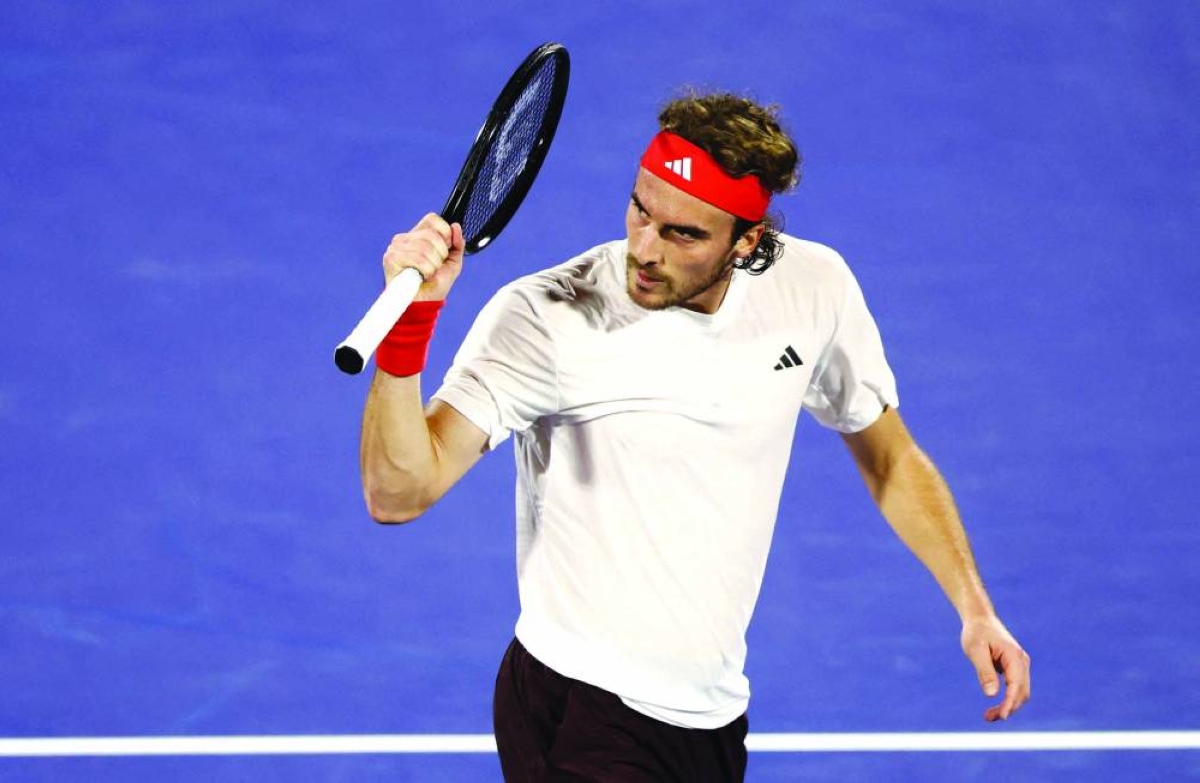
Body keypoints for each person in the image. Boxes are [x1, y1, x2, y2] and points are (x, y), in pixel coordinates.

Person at [358, 92, 1030, 782]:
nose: (643, 249)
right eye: (639, 210)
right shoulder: (547, 317)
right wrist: (413, 322)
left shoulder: (815, 289)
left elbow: (890, 455)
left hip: (707, 718)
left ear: (749, 239)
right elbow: (398, 490)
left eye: (683, 233)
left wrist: (975, 607)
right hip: (581, 710)